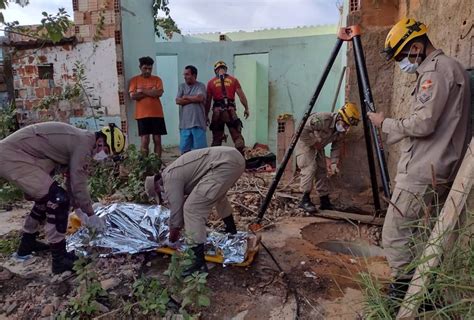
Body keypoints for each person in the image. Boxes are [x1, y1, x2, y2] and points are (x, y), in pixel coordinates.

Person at [368, 18, 471, 298]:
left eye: (402, 57)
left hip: (424, 171)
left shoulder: (434, 72)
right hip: (436, 166)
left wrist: (384, 123)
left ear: (416, 47)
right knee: (417, 235)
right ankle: (422, 293)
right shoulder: (449, 69)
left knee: (394, 236)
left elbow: (423, 124)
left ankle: (404, 297)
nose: (402, 64)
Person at [0, 122, 126, 274]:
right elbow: (78, 182)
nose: (103, 155)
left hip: (17, 154)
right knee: (58, 199)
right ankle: (59, 259)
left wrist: (79, 209)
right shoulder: (84, 144)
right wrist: (91, 214)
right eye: (106, 151)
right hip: (12, 155)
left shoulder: (82, 141)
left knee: (46, 198)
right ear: (100, 142)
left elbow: (70, 182)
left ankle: (27, 244)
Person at [144, 146, 245, 275]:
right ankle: (231, 229)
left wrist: (172, 238)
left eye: (160, 194)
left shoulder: (169, 178)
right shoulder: (175, 171)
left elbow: (177, 212)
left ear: (157, 188)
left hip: (224, 163)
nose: (163, 196)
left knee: (192, 209)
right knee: (217, 195)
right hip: (234, 158)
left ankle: (198, 264)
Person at [296, 103, 360, 213]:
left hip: (319, 146)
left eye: (348, 126)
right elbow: (301, 130)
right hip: (306, 144)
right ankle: (304, 200)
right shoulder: (323, 119)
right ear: (340, 117)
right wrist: (313, 142)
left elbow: (336, 147)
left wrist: (334, 163)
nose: (345, 128)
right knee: (309, 169)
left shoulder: (341, 131)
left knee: (322, 171)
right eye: (345, 125)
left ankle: (324, 201)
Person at [206, 60, 250, 154]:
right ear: (225, 69)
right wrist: (246, 108)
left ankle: (215, 160)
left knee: (216, 140)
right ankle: (241, 160)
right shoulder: (233, 80)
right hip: (230, 112)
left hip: (217, 113)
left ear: (216, 70)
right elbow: (241, 95)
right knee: (237, 138)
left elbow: (208, 101)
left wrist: (206, 115)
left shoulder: (211, 83)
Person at [129, 56, 167, 157]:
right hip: (142, 115)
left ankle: (157, 165)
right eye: (145, 68)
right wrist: (151, 92)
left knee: (157, 140)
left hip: (157, 114)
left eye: (150, 69)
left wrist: (142, 91)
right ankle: (145, 165)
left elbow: (158, 93)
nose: (147, 71)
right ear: (140, 67)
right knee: (145, 140)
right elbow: (133, 96)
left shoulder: (157, 79)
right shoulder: (135, 80)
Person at [176, 65, 208, 154]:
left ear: (194, 75)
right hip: (185, 125)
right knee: (184, 151)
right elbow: (178, 101)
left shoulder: (200, 86)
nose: (185, 77)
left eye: (187, 74)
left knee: (200, 152)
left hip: (198, 123)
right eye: (184, 75)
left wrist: (185, 97)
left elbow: (200, 98)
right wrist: (193, 98)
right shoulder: (181, 86)